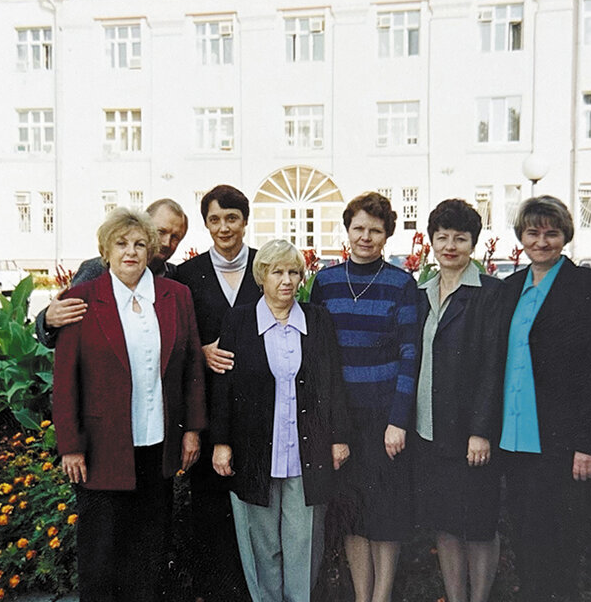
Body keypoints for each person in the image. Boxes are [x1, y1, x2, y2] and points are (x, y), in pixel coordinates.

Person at [52, 207, 206, 602]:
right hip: (103, 448)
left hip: (158, 444)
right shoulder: (81, 298)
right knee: (102, 554)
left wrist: (191, 430)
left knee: (150, 551)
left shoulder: (176, 296)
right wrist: (70, 445)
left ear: (151, 250)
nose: (131, 252)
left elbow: (190, 366)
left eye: (140, 244)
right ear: (106, 251)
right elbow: (66, 380)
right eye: (121, 244)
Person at [496, 196, 591, 602]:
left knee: (563, 546)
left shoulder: (590, 286)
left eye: (552, 232)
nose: (542, 241)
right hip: (515, 440)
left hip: (564, 444)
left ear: (565, 235)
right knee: (526, 540)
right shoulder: (509, 288)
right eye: (533, 232)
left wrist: (589, 443)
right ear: (521, 236)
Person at [210, 239, 351, 602]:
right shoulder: (239, 321)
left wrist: (338, 438)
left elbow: (333, 381)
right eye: (277, 272)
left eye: (293, 272)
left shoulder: (317, 320)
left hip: (307, 452)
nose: (286, 280)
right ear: (262, 277)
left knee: (304, 544)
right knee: (262, 546)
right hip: (254, 453)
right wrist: (222, 443)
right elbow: (224, 385)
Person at [308, 191, 419, 602]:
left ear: (387, 235)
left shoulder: (401, 284)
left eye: (375, 230)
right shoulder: (325, 281)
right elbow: (316, 350)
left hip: (384, 418)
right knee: (351, 513)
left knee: (385, 515)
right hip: (342, 419)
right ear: (347, 230)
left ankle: (381, 596)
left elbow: (410, 354)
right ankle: (361, 596)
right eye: (359, 228)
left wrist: (398, 420)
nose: (366, 237)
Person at [411, 200, 503, 602]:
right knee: (446, 523)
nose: (450, 245)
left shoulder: (490, 294)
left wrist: (480, 431)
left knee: (479, 526)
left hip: (470, 437)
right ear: (431, 240)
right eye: (442, 236)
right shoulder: (420, 293)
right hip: (429, 432)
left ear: (473, 244)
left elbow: (493, 366)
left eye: (460, 238)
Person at [175, 184, 261, 602]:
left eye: (232, 218)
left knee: (256, 507)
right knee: (209, 509)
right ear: (205, 224)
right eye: (214, 219)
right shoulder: (187, 276)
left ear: (245, 221)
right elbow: (174, 338)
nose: (223, 227)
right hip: (208, 411)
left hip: (260, 410)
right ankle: (212, 592)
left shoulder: (267, 267)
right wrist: (199, 349)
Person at [35, 198, 188, 348]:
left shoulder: (175, 278)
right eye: (161, 232)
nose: (166, 242)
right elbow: (65, 325)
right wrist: (47, 320)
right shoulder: (97, 269)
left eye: (175, 237)